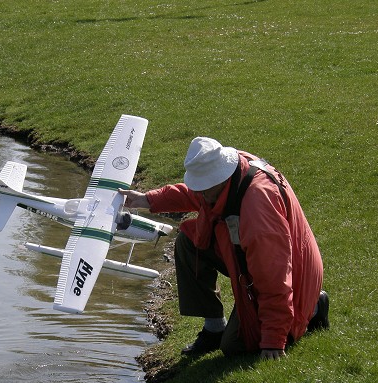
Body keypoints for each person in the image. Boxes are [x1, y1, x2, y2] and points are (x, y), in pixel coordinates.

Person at [120, 137, 328, 360]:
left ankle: (312, 307)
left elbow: (274, 276)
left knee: (235, 346)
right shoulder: (229, 172)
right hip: (256, 257)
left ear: (218, 180)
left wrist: (274, 341)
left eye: (203, 188)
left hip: (294, 276)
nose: (199, 193)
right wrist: (146, 200)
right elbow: (193, 194)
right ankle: (214, 328)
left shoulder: (258, 209)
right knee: (188, 243)